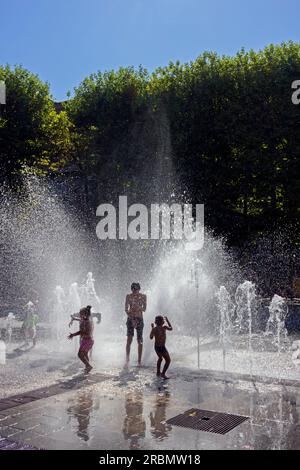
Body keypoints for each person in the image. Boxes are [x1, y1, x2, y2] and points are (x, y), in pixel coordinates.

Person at [125, 282, 147, 366]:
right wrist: (132, 319)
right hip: (130, 319)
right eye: (133, 289)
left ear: (139, 289)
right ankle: (127, 360)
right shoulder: (128, 296)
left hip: (139, 319)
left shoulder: (143, 296)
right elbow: (126, 309)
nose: (134, 291)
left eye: (136, 289)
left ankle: (139, 361)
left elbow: (144, 309)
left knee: (140, 340)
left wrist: (138, 307)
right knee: (129, 339)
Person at [68, 306, 94, 373]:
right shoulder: (86, 320)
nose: (79, 315)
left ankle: (88, 366)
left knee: (80, 354)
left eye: (81, 314)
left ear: (85, 314)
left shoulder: (87, 322)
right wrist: (74, 318)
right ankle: (87, 367)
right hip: (87, 340)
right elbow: (80, 319)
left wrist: (73, 334)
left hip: (87, 341)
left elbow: (82, 332)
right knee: (85, 354)